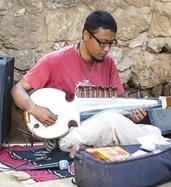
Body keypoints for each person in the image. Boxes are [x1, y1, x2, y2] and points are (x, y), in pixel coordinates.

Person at [11, 10, 161, 157]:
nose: (107, 49)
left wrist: (131, 116)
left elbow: (118, 106)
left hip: (98, 130)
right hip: (66, 133)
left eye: (111, 43)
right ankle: (163, 149)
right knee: (111, 121)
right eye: (102, 43)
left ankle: (87, 149)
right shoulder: (53, 60)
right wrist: (34, 108)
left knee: (154, 131)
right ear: (86, 35)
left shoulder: (108, 63)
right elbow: (17, 90)